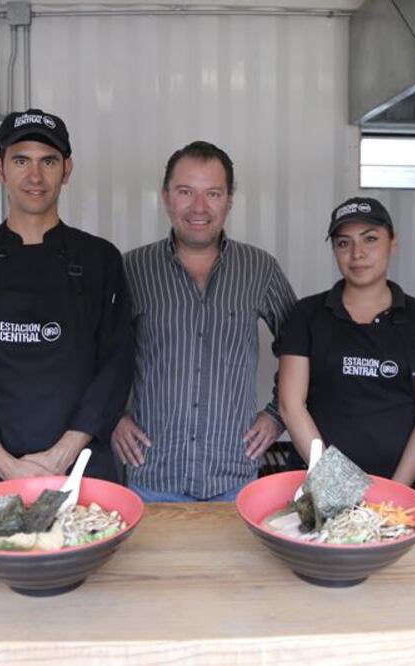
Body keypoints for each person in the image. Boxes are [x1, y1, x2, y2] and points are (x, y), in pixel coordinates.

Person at [0, 108, 133, 493]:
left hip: (80, 469)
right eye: (21, 160)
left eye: (48, 161)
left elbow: (116, 367)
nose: (35, 176)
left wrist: (60, 456)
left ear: (67, 170)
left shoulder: (99, 259)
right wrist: (5, 465)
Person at [112, 141, 297, 502]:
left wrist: (278, 414)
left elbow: (301, 347)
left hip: (234, 478)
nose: (199, 207)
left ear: (229, 200)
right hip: (154, 477)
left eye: (213, 193)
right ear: (166, 197)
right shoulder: (132, 268)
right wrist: (114, 416)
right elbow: (96, 352)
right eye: (185, 192)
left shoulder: (259, 268)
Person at [277, 196, 415, 493]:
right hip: (321, 487)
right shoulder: (307, 314)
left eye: (370, 239)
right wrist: (337, 486)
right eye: (344, 243)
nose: (357, 253)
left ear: (392, 242)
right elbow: (290, 404)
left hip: (404, 488)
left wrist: (394, 492)